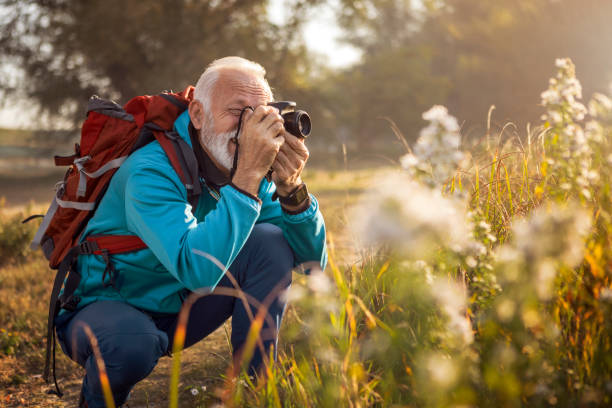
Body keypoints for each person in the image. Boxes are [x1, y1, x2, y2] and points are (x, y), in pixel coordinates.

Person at [54, 56, 327, 407]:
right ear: (198, 115)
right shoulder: (150, 169)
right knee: (132, 344)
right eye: (237, 111)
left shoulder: (247, 170)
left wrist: (291, 189)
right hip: (109, 309)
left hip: (179, 305)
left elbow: (313, 268)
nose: (247, 128)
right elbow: (198, 271)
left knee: (270, 243)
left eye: (259, 114)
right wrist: (245, 180)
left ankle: (255, 394)